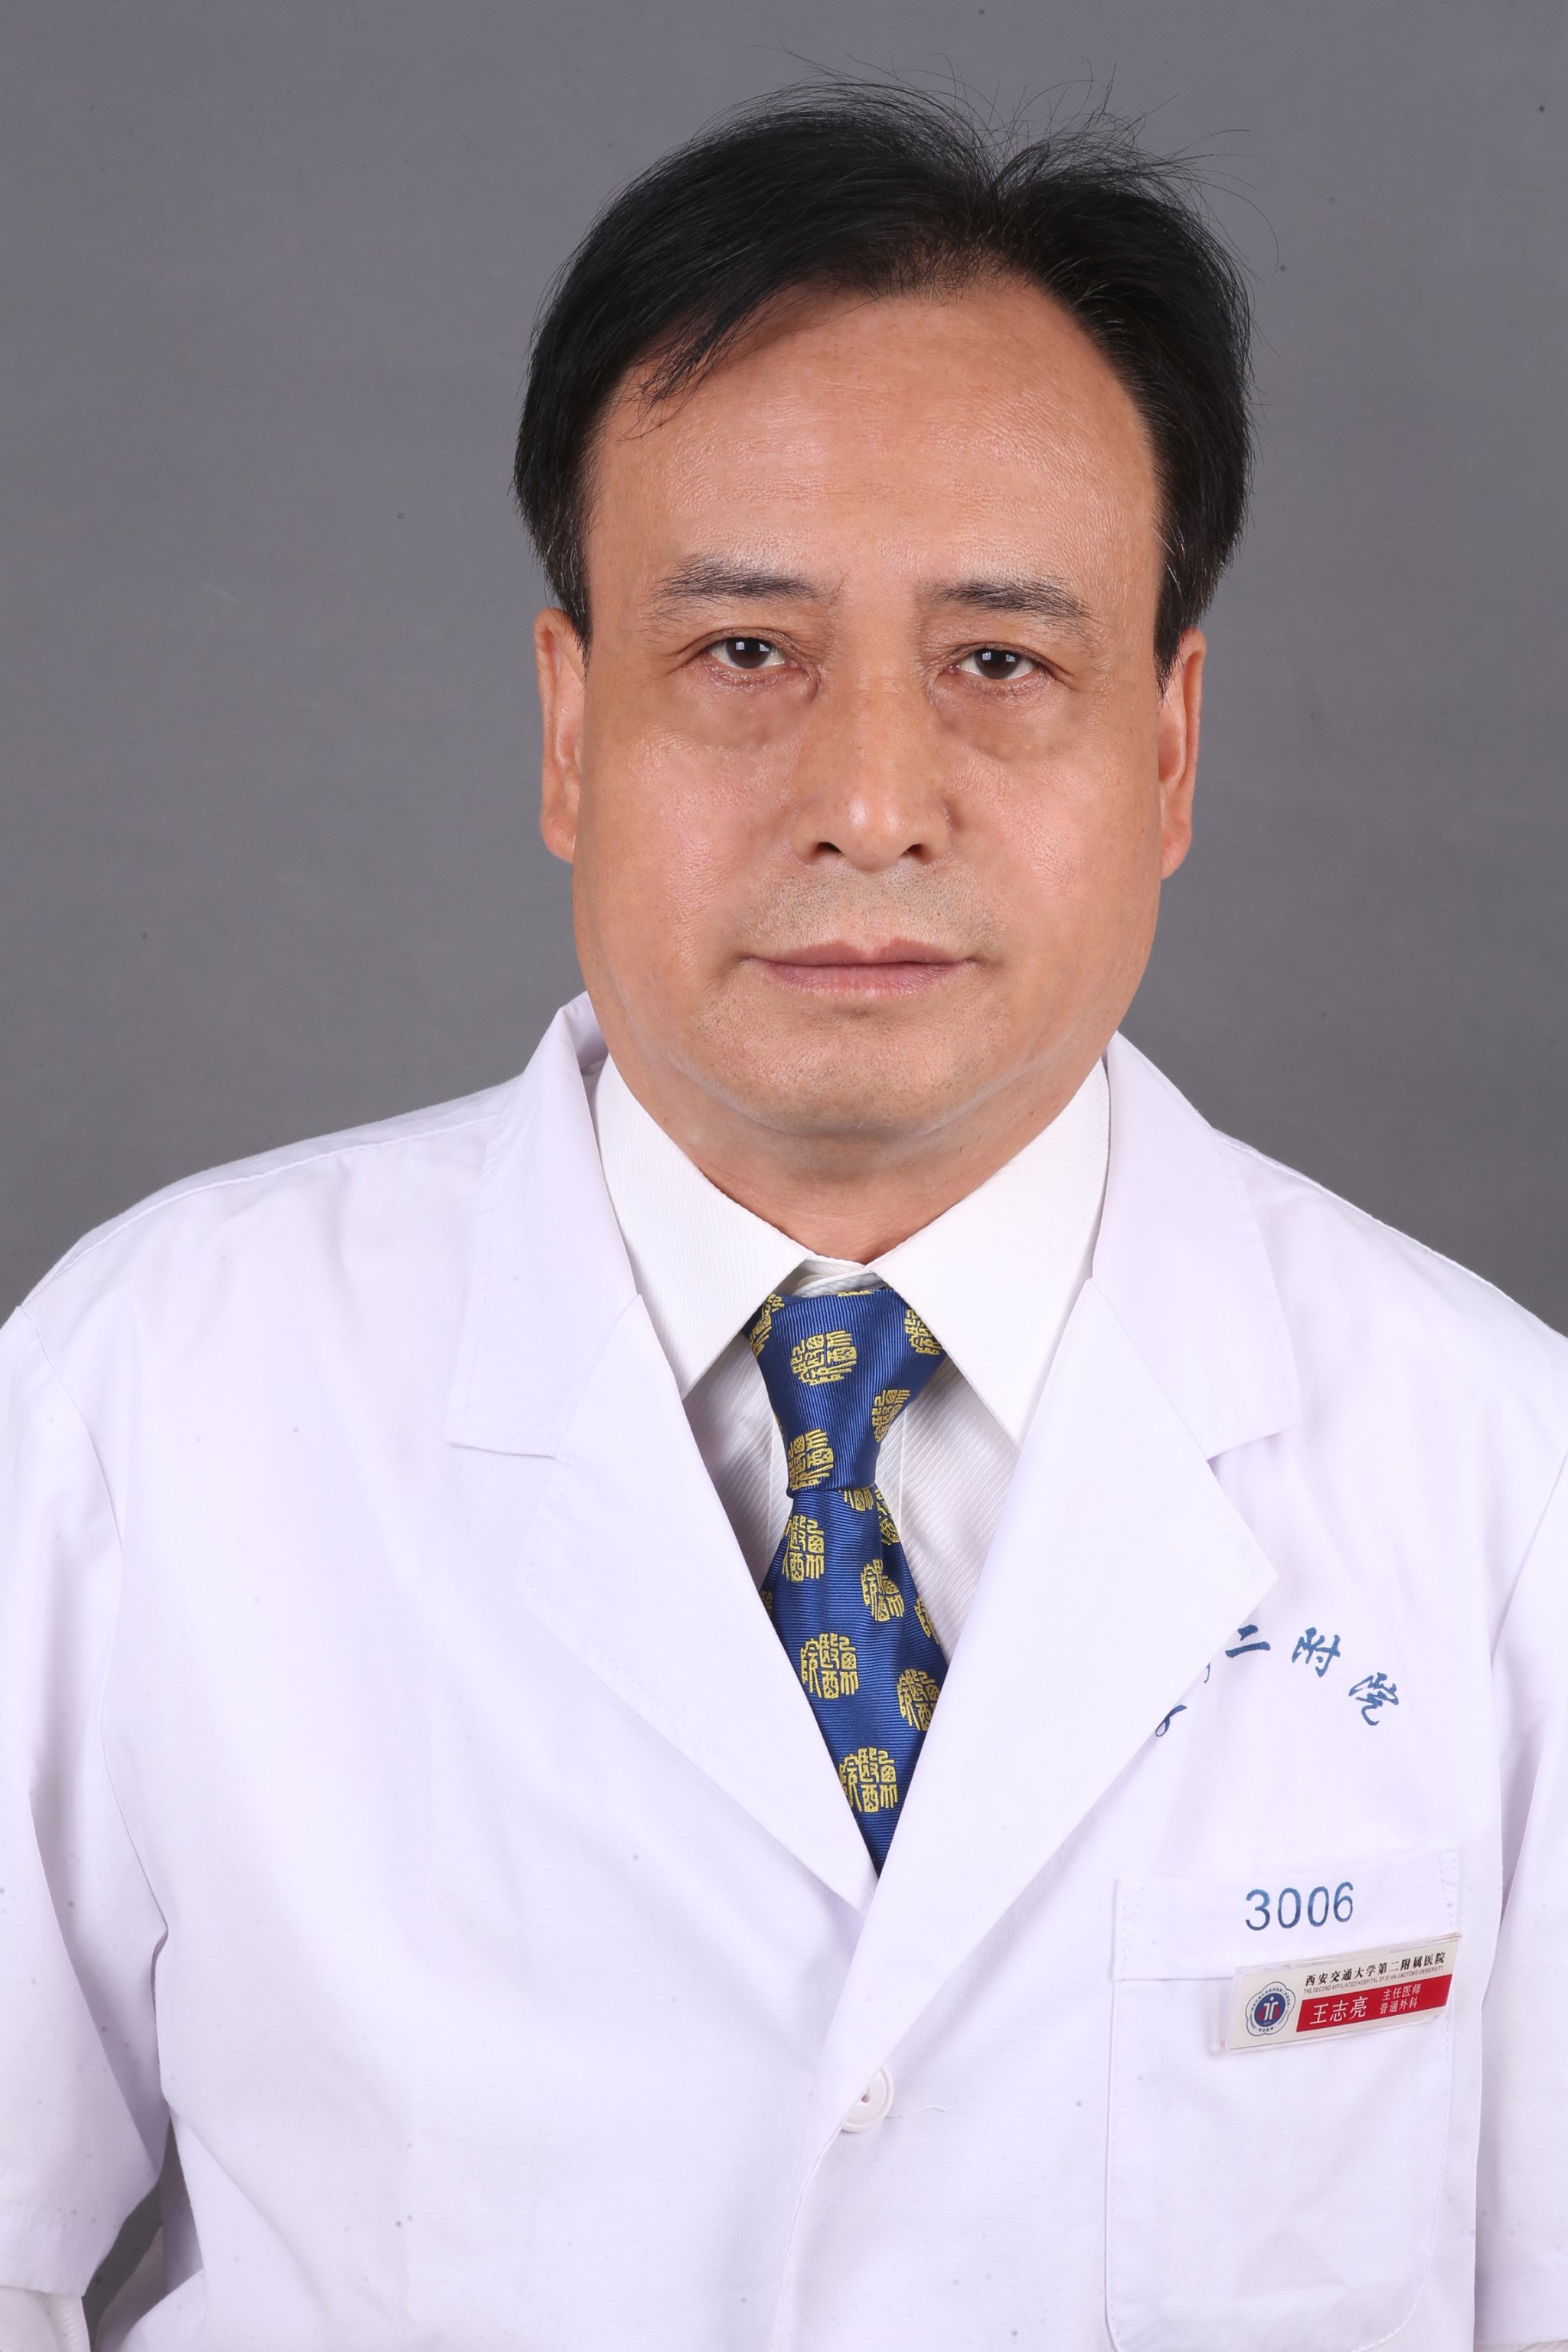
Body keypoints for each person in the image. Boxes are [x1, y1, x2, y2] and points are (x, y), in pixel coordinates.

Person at [1, 82, 1563, 2352]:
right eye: (744, 652)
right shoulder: (139, 1408)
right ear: (567, 728)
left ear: (1166, 748)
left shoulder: (1502, 1485)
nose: (866, 799)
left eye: (1001, 661)